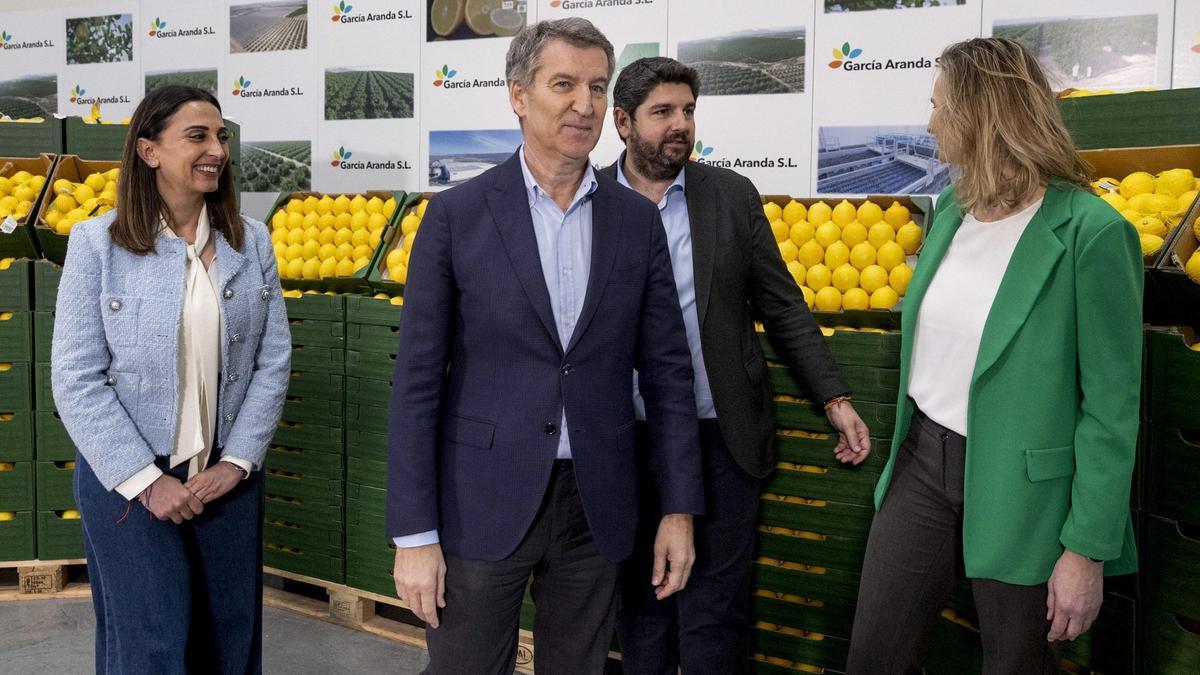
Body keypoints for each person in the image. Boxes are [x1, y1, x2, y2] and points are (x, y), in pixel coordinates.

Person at [386, 19, 703, 674]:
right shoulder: (455, 218)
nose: (583, 104)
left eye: (595, 86)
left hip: (599, 505)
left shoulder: (636, 222)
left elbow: (669, 377)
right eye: (563, 84)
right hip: (481, 502)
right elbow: (417, 384)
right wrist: (415, 535)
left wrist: (678, 508)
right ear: (518, 95)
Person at [847, 38, 1141, 674]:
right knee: (875, 653)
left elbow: (1113, 408)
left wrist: (1085, 550)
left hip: (1026, 488)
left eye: (939, 108)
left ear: (982, 115)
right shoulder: (951, 210)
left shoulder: (1091, 234)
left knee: (1014, 665)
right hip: (923, 462)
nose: (928, 125)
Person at [602, 57, 872, 674]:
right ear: (622, 123)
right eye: (662, 112)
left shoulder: (729, 196)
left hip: (721, 436)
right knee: (643, 607)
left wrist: (835, 398)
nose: (680, 125)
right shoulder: (592, 205)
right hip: (629, 440)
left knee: (715, 609)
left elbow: (783, 305)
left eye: (689, 111)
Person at [52, 85, 291, 673]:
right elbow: (76, 377)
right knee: (150, 645)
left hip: (225, 478)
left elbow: (273, 357)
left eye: (221, 137)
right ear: (149, 151)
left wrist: (237, 463)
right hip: (131, 485)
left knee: (229, 643)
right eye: (198, 136)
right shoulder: (96, 245)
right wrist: (146, 482)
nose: (217, 150)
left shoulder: (250, 241)